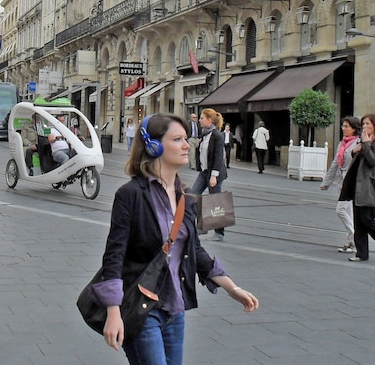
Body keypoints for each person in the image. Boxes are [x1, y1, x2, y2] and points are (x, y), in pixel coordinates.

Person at [93, 113, 258, 362]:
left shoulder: (186, 196)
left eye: (186, 139)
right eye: (178, 139)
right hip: (142, 309)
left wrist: (231, 287)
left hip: (174, 310)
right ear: (154, 145)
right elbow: (114, 256)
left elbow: (195, 250)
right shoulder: (130, 195)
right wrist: (113, 311)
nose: (185, 145)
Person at [343, 113, 375, 261]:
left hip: (370, 186)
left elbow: (373, 161)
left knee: (366, 218)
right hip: (357, 184)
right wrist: (354, 151)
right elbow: (360, 160)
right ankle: (361, 253)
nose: (365, 127)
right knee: (358, 220)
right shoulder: (363, 140)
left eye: (367, 124)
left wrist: (365, 144)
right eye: (363, 124)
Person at [323, 116, 360, 253]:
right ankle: (351, 242)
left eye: (346, 126)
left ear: (354, 129)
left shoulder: (358, 143)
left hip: (351, 183)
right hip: (341, 182)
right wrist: (326, 181)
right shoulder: (342, 143)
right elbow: (334, 164)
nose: (343, 129)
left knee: (341, 210)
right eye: (343, 126)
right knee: (349, 213)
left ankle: (355, 237)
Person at [191, 109, 229, 241]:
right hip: (204, 172)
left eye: (202, 118)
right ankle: (202, 227)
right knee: (193, 195)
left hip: (214, 173)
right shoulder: (205, 135)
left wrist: (214, 176)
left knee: (215, 201)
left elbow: (219, 157)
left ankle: (219, 233)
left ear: (210, 120)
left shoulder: (217, 136)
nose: (200, 120)